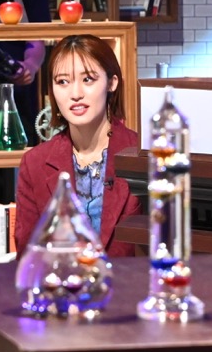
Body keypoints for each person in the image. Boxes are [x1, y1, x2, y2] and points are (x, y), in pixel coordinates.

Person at [14, 34, 141, 256]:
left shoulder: (143, 155)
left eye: (88, 79)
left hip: (130, 277)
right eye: (63, 82)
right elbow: (29, 254)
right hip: (62, 277)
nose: (75, 94)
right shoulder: (34, 163)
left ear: (112, 83)